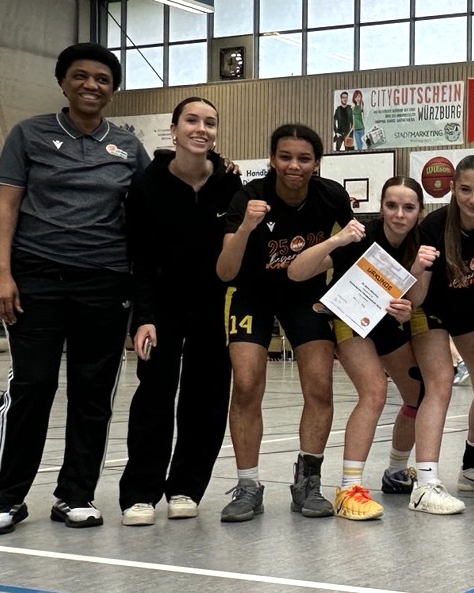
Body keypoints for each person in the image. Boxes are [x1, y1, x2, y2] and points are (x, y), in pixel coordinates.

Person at [0, 43, 148, 535]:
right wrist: (1, 274)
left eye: (102, 79)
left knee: (93, 393)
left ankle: (75, 495)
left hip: (105, 282)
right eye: (81, 76)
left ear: (112, 91)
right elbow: (6, 205)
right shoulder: (28, 134)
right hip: (37, 280)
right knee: (32, 387)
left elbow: (150, 207)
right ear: (63, 82)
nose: (91, 85)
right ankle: (6, 499)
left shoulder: (128, 146)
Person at [215, 124, 352, 523]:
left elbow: (353, 247)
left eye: (304, 158)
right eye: (286, 157)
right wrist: (245, 227)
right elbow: (225, 271)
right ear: (272, 159)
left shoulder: (331, 196)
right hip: (251, 294)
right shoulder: (249, 197)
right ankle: (248, 485)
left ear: (316, 163)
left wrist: (332, 279)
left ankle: (308, 482)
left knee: (320, 386)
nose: (294, 165)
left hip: (305, 296)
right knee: (245, 384)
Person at [118, 96, 241, 526]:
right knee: (153, 395)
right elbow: (140, 259)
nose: (201, 129)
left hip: (213, 307)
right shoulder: (146, 186)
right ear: (173, 130)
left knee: (207, 398)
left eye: (210, 122)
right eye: (191, 120)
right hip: (162, 308)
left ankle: (187, 487)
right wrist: (144, 317)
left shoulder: (230, 185)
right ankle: (140, 493)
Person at [287, 177, 434, 520]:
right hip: (350, 319)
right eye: (391, 206)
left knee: (419, 394)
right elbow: (295, 272)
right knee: (374, 392)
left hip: (388, 322)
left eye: (408, 207)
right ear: (381, 207)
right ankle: (349, 488)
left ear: (419, 211)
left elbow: (415, 299)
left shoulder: (421, 243)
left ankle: (396, 471)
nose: (399, 214)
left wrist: (407, 305)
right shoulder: (361, 236)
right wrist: (336, 239)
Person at [405, 155, 474, 514]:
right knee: (440, 384)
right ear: (453, 189)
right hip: (428, 308)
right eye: (465, 190)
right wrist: (418, 267)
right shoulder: (434, 226)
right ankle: (425, 485)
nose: (473, 198)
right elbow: (415, 297)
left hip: (468, 307)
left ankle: (472, 467)